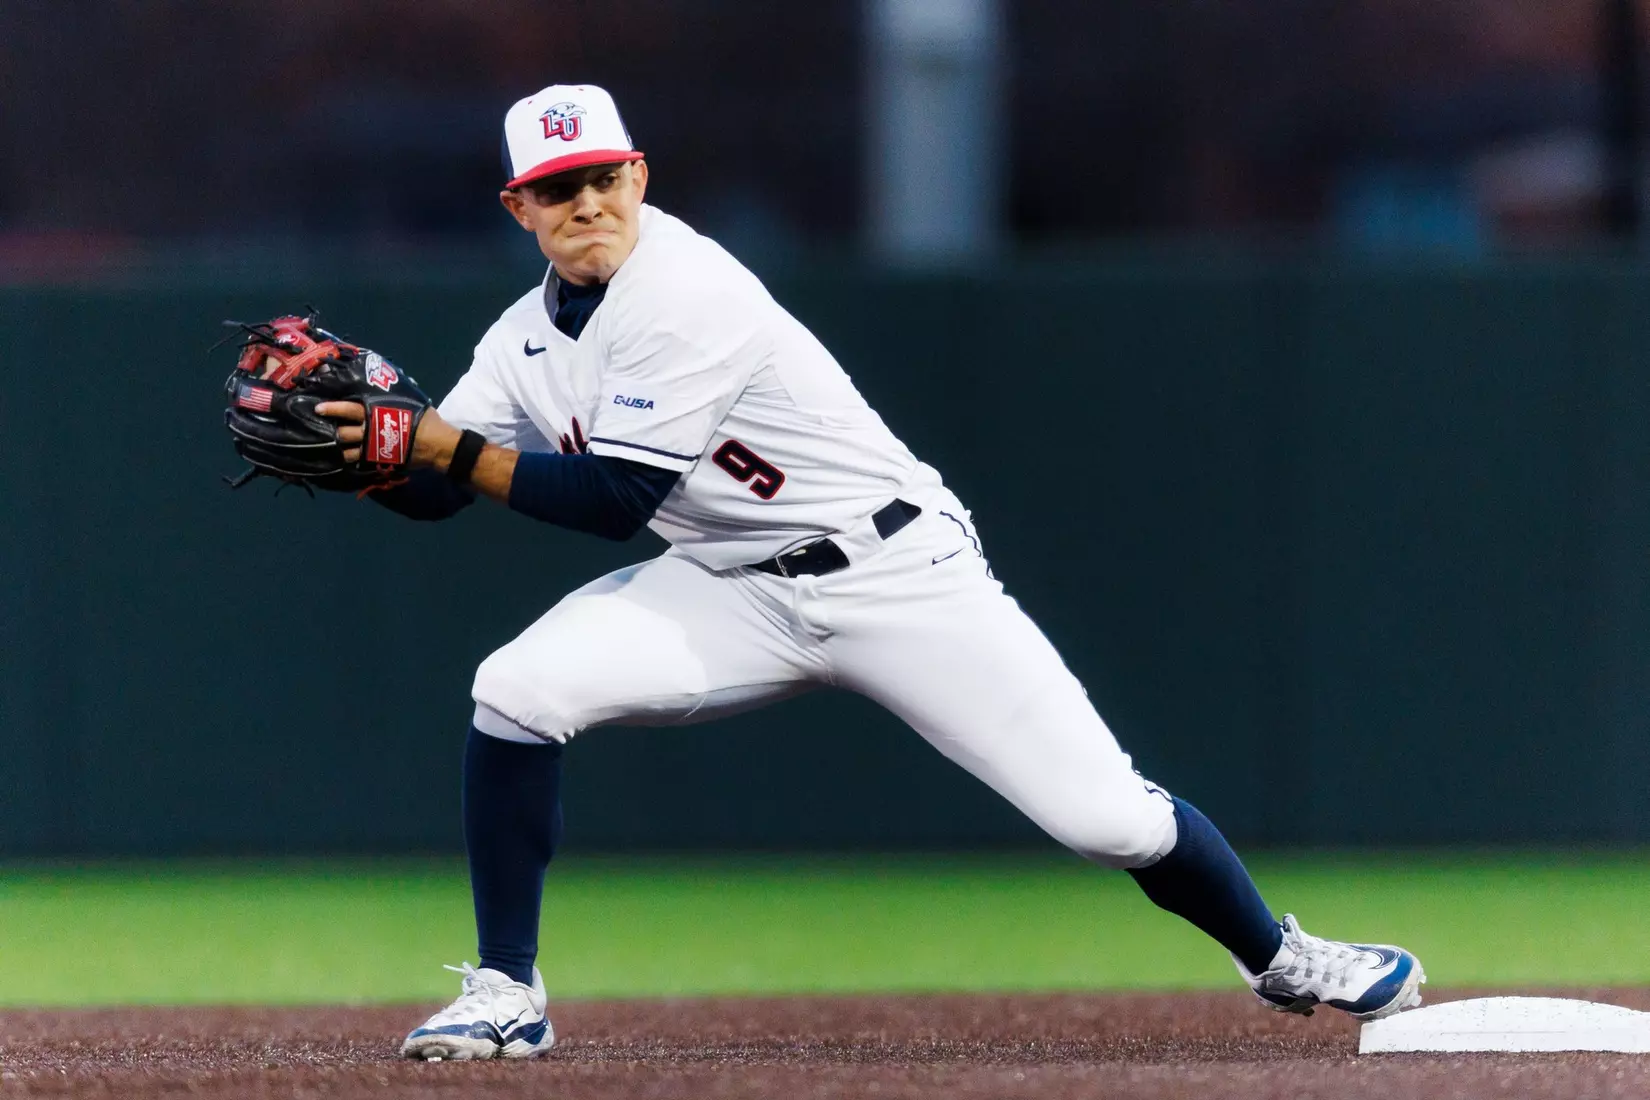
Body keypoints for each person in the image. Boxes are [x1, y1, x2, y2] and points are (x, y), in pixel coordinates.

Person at [317, 83, 1425, 1062]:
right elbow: (435, 484)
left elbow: (609, 503)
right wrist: (361, 452)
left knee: (1108, 820)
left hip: (897, 573)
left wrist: (435, 443)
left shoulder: (689, 287)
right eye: (559, 191)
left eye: (604, 178)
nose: (589, 205)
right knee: (517, 686)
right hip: (727, 583)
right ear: (520, 210)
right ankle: (509, 989)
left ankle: (1281, 953)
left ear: (639, 174)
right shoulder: (521, 339)